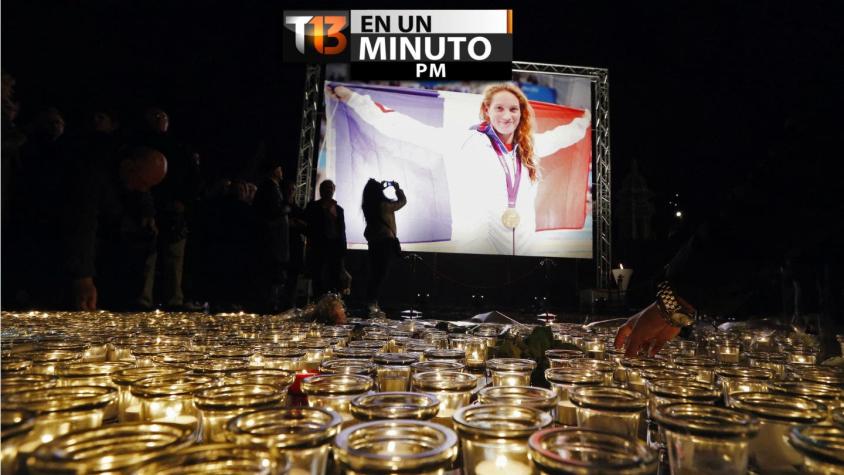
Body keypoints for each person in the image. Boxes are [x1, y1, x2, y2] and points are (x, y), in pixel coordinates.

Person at [327, 83, 590, 256]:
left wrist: (585, 120)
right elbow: (403, 127)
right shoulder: (466, 141)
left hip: (525, 248)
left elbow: (563, 136)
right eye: (499, 108)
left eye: (513, 109)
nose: (507, 115)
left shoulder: (529, 149)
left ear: (521, 113)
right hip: (480, 250)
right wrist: (353, 98)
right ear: (487, 110)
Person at [65, 147, 167, 310]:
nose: (142, 189)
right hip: (87, 257)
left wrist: (148, 213)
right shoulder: (94, 178)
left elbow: (144, 195)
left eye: (148, 187)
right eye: (141, 183)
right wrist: (83, 276)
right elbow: (84, 227)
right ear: (128, 166)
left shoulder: (136, 186)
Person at [362, 178, 407, 313]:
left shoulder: (367, 205)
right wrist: (397, 189)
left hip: (373, 242)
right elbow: (402, 202)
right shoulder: (384, 205)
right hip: (385, 242)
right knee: (380, 273)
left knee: (374, 272)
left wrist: (378, 188)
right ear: (378, 192)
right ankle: (372, 303)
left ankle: (370, 302)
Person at [253, 162, 290, 312]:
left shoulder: (272, 188)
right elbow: (273, 211)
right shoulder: (270, 188)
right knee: (272, 275)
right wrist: (286, 208)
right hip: (273, 242)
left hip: (275, 241)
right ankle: (269, 305)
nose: (282, 171)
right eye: (280, 169)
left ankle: (270, 303)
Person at [304, 180, 347, 297]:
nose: (329, 190)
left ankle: (333, 305)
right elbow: (307, 226)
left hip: (335, 248)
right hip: (319, 247)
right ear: (321, 190)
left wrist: (343, 249)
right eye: (326, 188)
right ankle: (318, 304)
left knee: (334, 278)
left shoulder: (339, 209)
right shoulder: (313, 206)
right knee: (318, 277)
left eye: (331, 188)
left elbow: (342, 231)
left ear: (334, 190)